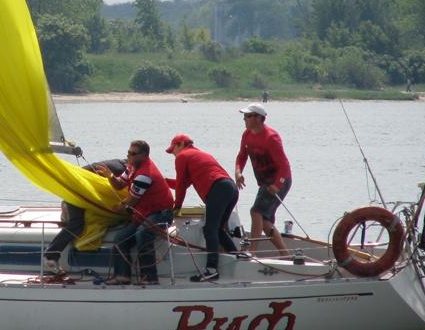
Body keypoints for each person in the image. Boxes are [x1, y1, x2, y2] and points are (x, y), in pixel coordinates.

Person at [95, 140, 173, 285]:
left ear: (144, 155)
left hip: (161, 213)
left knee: (143, 234)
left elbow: (129, 203)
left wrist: (107, 209)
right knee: (121, 238)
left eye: (133, 154)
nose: (129, 156)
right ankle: (122, 276)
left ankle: (150, 278)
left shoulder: (144, 175)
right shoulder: (131, 166)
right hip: (145, 212)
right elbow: (119, 185)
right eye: (128, 153)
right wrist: (110, 176)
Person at [166, 134, 240, 282]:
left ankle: (211, 269)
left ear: (180, 144)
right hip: (230, 188)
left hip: (218, 189)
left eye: (173, 149)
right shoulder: (199, 154)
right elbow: (183, 183)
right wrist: (164, 182)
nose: (173, 153)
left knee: (209, 229)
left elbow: (181, 186)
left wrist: (176, 207)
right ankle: (238, 256)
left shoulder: (182, 156)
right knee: (218, 229)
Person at [43, 158, 127, 273]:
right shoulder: (121, 171)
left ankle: (67, 208)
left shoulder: (118, 163)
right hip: (76, 189)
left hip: (77, 185)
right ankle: (51, 256)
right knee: (77, 223)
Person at [234, 103, 291, 256]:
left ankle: (252, 252)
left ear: (259, 118)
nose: (244, 119)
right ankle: (285, 254)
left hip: (279, 180)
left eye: (247, 116)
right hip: (265, 183)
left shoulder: (271, 137)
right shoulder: (246, 135)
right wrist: (238, 173)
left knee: (255, 212)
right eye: (244, 116)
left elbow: (284, 166)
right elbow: (241, 156)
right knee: (266, 223)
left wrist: (277, 185)